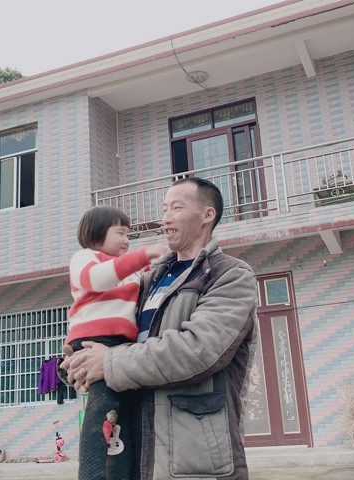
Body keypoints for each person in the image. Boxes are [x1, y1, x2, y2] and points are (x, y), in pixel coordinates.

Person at [62, 178, 258, 480]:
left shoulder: (230, 275)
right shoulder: (148, 279)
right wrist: (79, 362)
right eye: (164, 209)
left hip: (192, 458)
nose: (165, 218)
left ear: (207, 215)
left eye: (176, 208)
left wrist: (107, 362)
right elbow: (113, 334)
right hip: (136, 451)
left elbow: (196, 350)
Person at [64, 205, 167, 480]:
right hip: (92, 340)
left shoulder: (130, 270)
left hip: (122, 348)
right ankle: (91, 474)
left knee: (125, 416)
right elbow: (97, 279)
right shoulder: (85, 258)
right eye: (120, 233)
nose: (126, 240)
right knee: (103, 407)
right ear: (97, 233)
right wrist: (144, 255)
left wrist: (156, 260)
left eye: (128, 235)